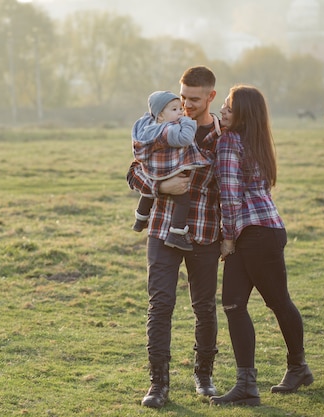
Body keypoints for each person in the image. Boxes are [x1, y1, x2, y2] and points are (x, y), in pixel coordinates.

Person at [210, 85, 313, 406]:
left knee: (267, 302)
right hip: (266, 230)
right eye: (224, 106)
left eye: (228, 107)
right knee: (239, 304)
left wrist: (227, 238)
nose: (223, 111)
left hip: (251, 234)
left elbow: (229, 195)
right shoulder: (256, 141)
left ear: (243, 114)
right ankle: (255, 382)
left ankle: (292, 370)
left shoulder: (229, 141)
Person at [127, 66, 222, 408]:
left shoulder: (223, 136)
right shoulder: (161, 124)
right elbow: (134, 169)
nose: (186, 105)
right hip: (163, 230)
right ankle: (158, 384)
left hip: (205, 231)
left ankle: (205, 375)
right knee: (161, 304)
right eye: (182, 97)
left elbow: (229, 187)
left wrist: (230, 235)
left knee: (204, 307)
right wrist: (159, 185)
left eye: (194, 99)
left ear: (211, 96)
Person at [131, 90, 211, 251]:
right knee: (183, 200)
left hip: (154, 171)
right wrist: (188, 123)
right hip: (169, 172)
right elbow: (185, 138)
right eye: (174, 110)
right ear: (160, 115)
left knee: (147, 194)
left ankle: (140, 218)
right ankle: (176, 233)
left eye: (179, 108)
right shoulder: (168, 129)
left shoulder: (148, 129)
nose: (181, 112)